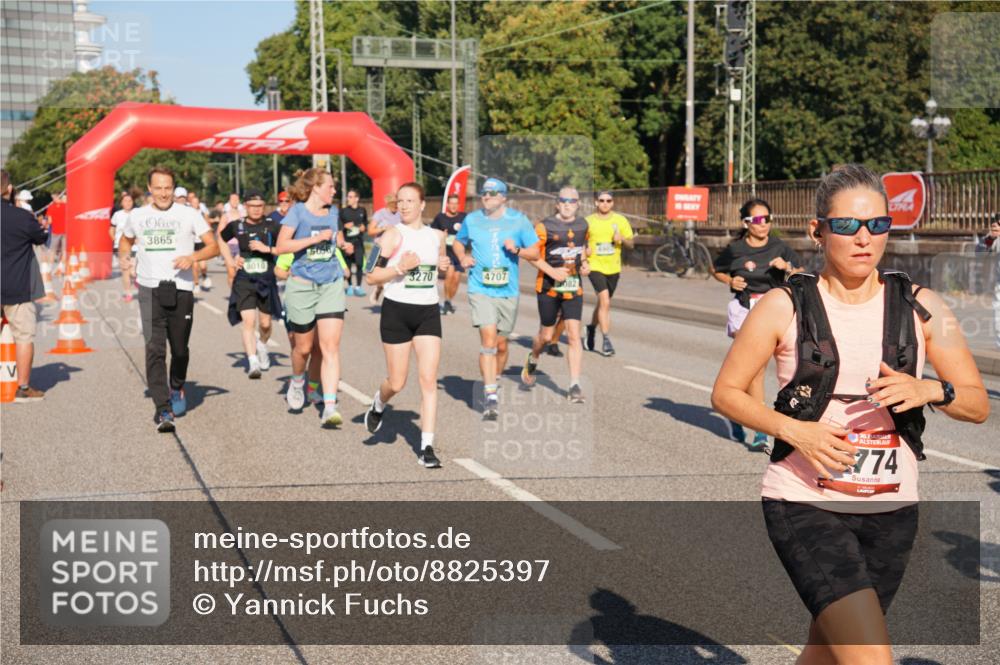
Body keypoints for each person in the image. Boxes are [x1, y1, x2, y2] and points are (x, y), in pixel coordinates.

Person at [712, 163, 989, 664]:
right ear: (818, 231)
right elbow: (728, 393)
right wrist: (799, 432)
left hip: (891, 507)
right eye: (847, 226)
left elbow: (976, 404)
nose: (864, 238)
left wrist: (929, 389)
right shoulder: (781, 306)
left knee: (827, 653)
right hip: (804, 501)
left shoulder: (923, 308)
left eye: (877, 225)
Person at [118, 166, 219, 432]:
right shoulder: (138, 216)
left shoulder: (189, 214)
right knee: (154, 349)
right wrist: (125, 259)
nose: (163, 193)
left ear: (173, 189)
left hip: (181, 289)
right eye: (158, 188)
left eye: (168, 188)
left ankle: (177, 386)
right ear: (149, 189)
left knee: (180, 350)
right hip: (149, 289)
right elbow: (125, 242)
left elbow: (213, 246)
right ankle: (163, 410)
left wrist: (192, 258)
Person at [363, 182, 451, 468]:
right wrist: (400, 268)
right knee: (397, 382)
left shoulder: (437, 235)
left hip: (427, 312)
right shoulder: (391, 235)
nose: (404, 206)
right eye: (400, 201)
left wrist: (443, 268)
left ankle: (426, 447)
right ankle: (379, 402)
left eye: (410, 201)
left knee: (428, 379)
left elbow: (436, 269)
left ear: (423, 205)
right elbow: (370, 276)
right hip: (397, 311)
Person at [712, 198, 802, 450]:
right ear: (746, 223)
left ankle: (736, 411)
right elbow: (716, 269)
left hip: (774, 310)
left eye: (768, 219)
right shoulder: (736, 249)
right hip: (744, 309)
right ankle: (760, 429)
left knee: (767, 367)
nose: (764, 225)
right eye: (758, 220)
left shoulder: (779, 246)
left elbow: (801, 272)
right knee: (757, 367)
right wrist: (729, 281)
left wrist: (787, 267)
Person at [452, 178, 540, 420]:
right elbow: (458, 243)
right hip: (480, 289)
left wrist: (518, 250)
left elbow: (535, 251)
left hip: (507, 291)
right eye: (484, 193)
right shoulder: (472, 219)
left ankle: (494, 378)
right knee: (488, 340)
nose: (486, 197)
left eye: (492, 193)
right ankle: (490, 394)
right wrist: (463, 258)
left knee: (501, 345)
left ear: (503, 197)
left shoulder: (518, 220)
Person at [274, 168, 354, 428]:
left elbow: (335, 238)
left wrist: (343, 245)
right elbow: (282, 246)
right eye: (330, 186)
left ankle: (329, 405)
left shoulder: (333, 213)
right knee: (304, 348)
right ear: (316, 187)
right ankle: (297, 381)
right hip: (302, 287)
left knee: (329, 347)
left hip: (330, 284)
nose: (334, 191)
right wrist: (314, 239)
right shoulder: (297, 212)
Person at [521, 187, 590, 403]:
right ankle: (533, 357)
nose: (568, 204)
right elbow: (531, 255)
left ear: (578, 204)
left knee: (573, 335)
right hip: (548, 287)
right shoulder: (544, 226)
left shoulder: (583, 225)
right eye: (563, 201)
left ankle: (574, 385)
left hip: (573, 287)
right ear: (557, 204)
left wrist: (585, 265)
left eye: (572, 201)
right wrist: (552, 272)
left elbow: (581, 250)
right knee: (546, 336)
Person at [221, 191, 282, 379]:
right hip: (245, 280)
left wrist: (269, 250)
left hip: (266, 279)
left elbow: (286, 246)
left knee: (265, 324)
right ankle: (252, 360)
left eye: (260, 206)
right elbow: (221, 240)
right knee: (249, 321)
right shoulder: (236, 225)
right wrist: (231, 260)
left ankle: (262, 345)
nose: (257, 210)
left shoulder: (272, 226)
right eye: (253, 206)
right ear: (245, 206)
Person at [1, 170, 50, 401]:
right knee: (24, 337)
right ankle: (23, 388)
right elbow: (41, 238)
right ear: (9, 190)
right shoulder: (22, 217)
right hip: (17, 288)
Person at [584, 190, 634, 357]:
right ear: (596, 202)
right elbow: (578, 242)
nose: (605, 203)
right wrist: (585, 250)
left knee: (602, 303)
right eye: (602, 200)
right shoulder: (588, 221)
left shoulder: (620, 220)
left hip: (613, 268)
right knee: (605, 301)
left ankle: (591, 328)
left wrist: (623, 239)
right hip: (595, 266)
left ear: (612, 203)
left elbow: (631, 244)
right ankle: (606, 341)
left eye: (608, 200)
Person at [430, 193, 466, 315]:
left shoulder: (463, 217)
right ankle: (446, 300)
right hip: (447, 251)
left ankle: (449, 300)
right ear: (447, 204)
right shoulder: (440, 218)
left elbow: (470, 232)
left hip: (459, 252)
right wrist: (441, 235)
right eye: (452, 203)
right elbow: (432, 232)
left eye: (456, 204)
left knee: (456, 280)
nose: (454, 206)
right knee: (449, 275)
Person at [340, 189, 368, 297]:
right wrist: (345, 227)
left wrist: (363, 228)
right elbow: (338, 226)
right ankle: (350, 286)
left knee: (359, 264)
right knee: (348, 264)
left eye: (351, 197)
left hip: (358, 241)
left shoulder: (362, 210)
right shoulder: (343, 211)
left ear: (357, 198)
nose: (349, 199)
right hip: (347, 242)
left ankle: (359, 287)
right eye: (348, 196)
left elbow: (365, 223)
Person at [109, 191, 136, 301]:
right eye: (125, 201)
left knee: (133, 270)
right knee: (125, 270)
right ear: (121, 203)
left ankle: (135, 278)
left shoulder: (137, 213)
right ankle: (128, 293)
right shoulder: (117, 214)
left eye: (130, 201)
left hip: (135, 246)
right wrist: (114, 239)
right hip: (121, 246)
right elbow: (111, 229)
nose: (128, 203)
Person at [188, 191, 213, 293]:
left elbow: (208, 224)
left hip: (201, 241)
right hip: (192, 242)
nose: (195, 204)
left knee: (203, 266)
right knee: (194, 265)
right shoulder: (188, 211)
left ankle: (204, 275)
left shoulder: (202, 211)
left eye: (196, 202)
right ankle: (196, 284)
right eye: (193, 202)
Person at [46, 191, 67, 272]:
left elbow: (50, 221)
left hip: (55, 231)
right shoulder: (66, 206)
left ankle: (50, 267)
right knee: (64, 250)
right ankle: (62, 267)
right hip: (65, 231)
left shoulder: (51, 207)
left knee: (52, 250)